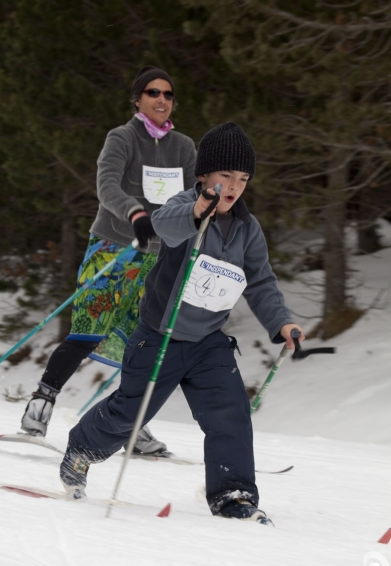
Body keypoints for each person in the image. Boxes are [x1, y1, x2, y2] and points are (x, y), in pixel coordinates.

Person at [59, 122, 305, 523]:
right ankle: (82, 449)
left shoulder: (247, 228)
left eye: (243, 179)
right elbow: (163, 226)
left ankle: (233, 493)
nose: (234, 186)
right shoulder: (183, 206)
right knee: (131, 413)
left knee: (229, 411)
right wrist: (196, 211)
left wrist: (282, 324)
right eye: (226, 175)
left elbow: (260, 280)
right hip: (159, 337)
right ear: (204, 175)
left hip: (208, 341)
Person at [20, 65, 197, 456]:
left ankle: (130, 425)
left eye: (168, 94)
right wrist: (135, 213)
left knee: (144, 341)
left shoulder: (184, 147)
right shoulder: (122, 137)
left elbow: (190, 197)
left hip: (158, 257)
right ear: (138, 99)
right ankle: (41, 403)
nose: (161, 100)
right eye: (153, 92)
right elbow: (107, 185)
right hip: (114, 246)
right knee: (89, 325)